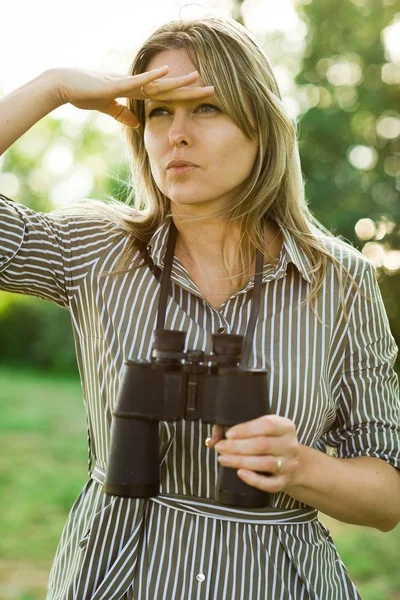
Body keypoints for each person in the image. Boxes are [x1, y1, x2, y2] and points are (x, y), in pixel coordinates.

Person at [0, 15, 399, 600]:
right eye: (159, 110)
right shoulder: (96, 252)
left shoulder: (340, 282)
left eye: (205, 108)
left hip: (275, 583)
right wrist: (52, 87)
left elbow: (388, 497)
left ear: (261, 127)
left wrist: (296, 466)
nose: (175, 135)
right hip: (117, 579)